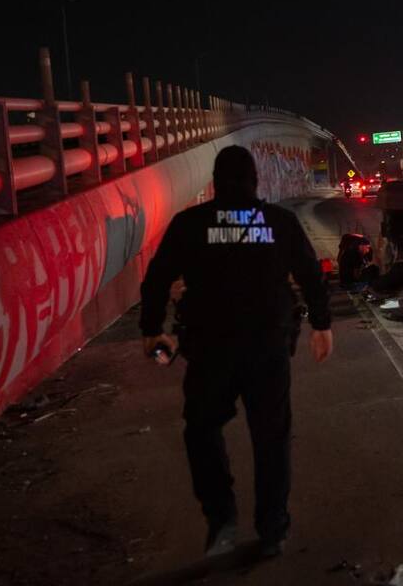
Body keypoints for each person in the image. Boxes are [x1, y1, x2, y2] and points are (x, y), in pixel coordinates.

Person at [139, 144, 333, 558]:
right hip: (268, 348)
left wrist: (151, 330)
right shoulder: (279, 222)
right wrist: (322, 324)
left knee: (203, 430)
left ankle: (222, 518)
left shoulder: (190, 224)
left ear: (214, 182)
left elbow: (156, 279)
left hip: (210, 350)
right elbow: (310, 274)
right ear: (255, 181)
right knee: (271, 439)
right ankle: (272, 529)